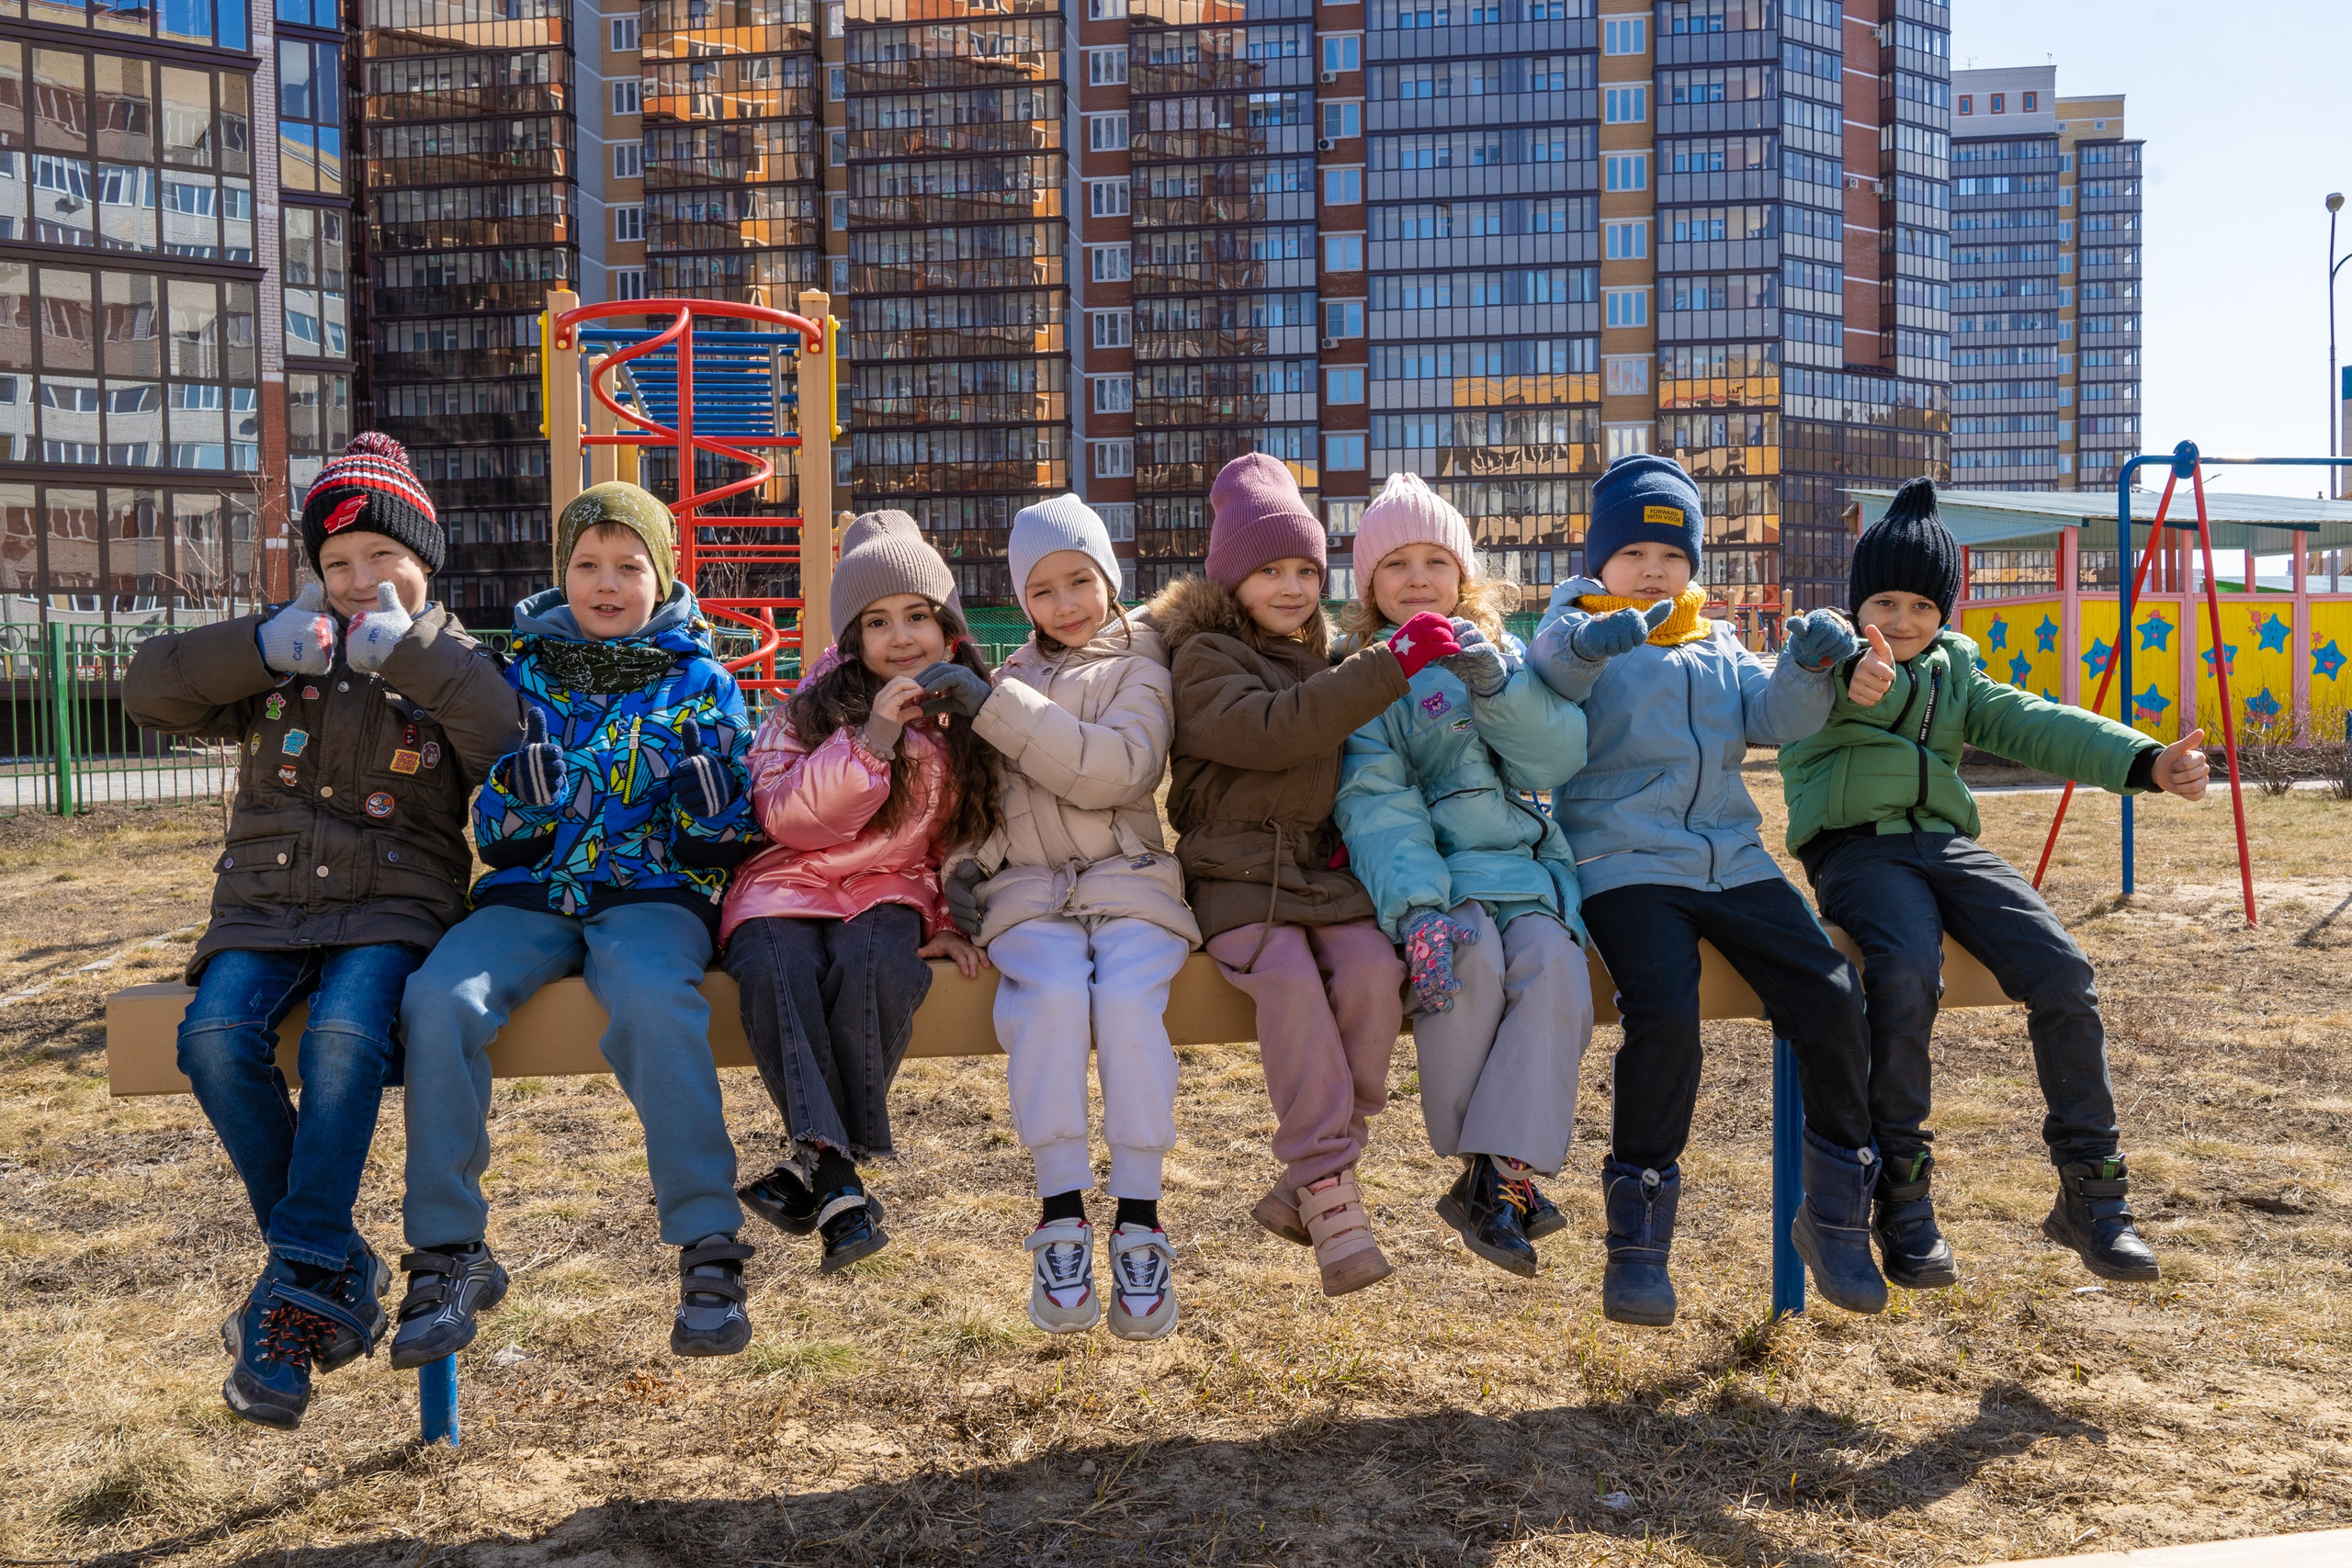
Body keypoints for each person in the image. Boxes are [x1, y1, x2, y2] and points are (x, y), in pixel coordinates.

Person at [123, 433, 524, 1429]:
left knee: (348, 1040)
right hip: (262, 906)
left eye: (380, 560)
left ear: (425, 561)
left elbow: (505, 740)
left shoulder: (457, 657)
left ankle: (299, 1287)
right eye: (336, 564)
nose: (356, 581)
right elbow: (147, 692)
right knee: (214, 1037)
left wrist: (420, 660)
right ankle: (330, 1261)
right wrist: (259, 647)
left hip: (394, 906)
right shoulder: (283, 652)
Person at [1778, 477, 2211, 1288]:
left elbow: (2036, 720)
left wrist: (2146, 760)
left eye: (1921, 606)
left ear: (1946, 614)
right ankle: (1902, 1199)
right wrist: (1841, 670)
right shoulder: (1829, 653)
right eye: (1884, 602)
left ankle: (2093, 1190)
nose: (1900, 622)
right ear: (1855, 602)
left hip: (1943, 845)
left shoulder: (1956, 673)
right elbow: (1812, 675)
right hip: (1857, 852)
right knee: (1906, 973)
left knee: (2063, 971)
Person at [391, 481, 759, 1368]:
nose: (606, 582)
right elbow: (495, 833)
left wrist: (713, 814)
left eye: (628, 566)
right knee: (439, 997)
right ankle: (449, 1250)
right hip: (533, 893)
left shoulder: (702, 680)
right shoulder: (519, 674)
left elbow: (732, 834)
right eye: (587, 565)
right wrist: (524, 806)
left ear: (661, 576)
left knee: (652, 1000)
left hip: (651, 893)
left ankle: (708, 1240)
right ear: (562, 576)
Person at [1527, 452, 1886, 1325]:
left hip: (1731, 857)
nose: (1654, 570)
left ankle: (1837, 1212)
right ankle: (1639, 1242)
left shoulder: (1716, 639)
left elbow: (1774, 720)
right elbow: (1548, 678)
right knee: (1666, 1014)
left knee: (1833, 992)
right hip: (1622, 860)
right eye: (1636, 554)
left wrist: (1806, 667)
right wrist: (1588, 645)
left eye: (1674, 556)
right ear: (1599, 559)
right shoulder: (1576, 621)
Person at [1150, 454, 1444, 1297]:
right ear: (1231, 576)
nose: (1291, 586)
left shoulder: (1318, 660)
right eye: (1269, 569)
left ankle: (1309, 1175)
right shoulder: (1203, 657)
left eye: (1306, 570)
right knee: (1284, 982)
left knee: (1371, 974)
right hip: (1236, 872)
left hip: (1318, 872)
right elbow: (1274, 732)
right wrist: (1386, 669)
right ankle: (1327, 1187)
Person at [921, 495, 1199, 1338]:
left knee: (1122, 1001)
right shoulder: (1007, 681)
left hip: (1130, 885)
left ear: (1111, 581)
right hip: (1035, 894)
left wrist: (995, 709)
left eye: (1080, 580)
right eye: (1042, 591)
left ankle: (1142, 1221)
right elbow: (1001, 810)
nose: (1064, 604)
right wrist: (965, 871)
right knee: (1043, 997)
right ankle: (1062, 1217)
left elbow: (1113, 771)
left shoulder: (1142, 667)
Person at [1331, 472, 1594, 1280]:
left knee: (1556, 968)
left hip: (1525, 870)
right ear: (1369, 586)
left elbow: (1556, 756)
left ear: (1465, 574)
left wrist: (1498, 690)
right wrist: (1418, 911)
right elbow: (1377, 801)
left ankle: (1495, 1175)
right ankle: (1496, 1173)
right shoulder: (1370, 677)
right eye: (1396, 564)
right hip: (1444, 880)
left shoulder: (1506, 654)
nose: (1417, 579)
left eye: (1435, 561)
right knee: (1468, 961)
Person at [721, 511, 995, 1273]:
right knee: (778, 972)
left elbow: (966, 835)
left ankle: (818, 1169)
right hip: (784, 885)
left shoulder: (970, 717)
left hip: (888, 888)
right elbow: (788, 819)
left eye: (918, 616)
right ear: (851, 640)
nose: (901, 637)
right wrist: (872, 737)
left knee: (882, 967)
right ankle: (840, 1175)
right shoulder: (808, 712)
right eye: (877, 622)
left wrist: (946, 916)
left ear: (950, 627)